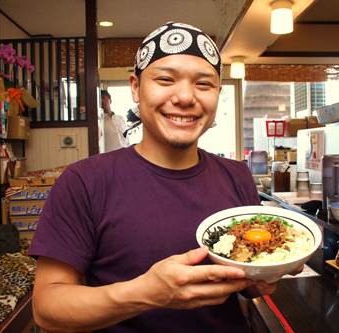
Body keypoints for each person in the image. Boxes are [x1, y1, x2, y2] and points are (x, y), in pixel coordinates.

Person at [29, 21, 277, 333]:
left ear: (217, 93)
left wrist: (266, 273)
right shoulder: (85, 181)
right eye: (165, 79)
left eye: (203, 84)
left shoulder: (237, 175)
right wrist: (146, 294)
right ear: (135, 86)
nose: (185, 97)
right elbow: (47, 309)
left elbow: (246, 281)